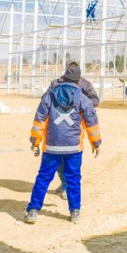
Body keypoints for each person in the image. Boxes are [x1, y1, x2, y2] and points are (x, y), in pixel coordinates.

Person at [26, 78, 102, 224]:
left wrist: (35, 141)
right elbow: (91, 122)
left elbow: (39, 120)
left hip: (51, 147)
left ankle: (33, 211)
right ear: (77, 81)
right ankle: (75, 212)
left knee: (43, 178)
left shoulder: (49, 95)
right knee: (73, 179)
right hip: (74, 148)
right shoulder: (83, 98)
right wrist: (96, 143)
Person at [48, 62, 100, 196]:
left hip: (75, 126)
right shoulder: (56, 83)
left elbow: (95, 100)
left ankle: (68, 186)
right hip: (58, 127)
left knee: (72, 159)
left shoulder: (85, 84)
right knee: (59, 160)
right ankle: (65, 182)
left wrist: (80, 103)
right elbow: (46, 101)